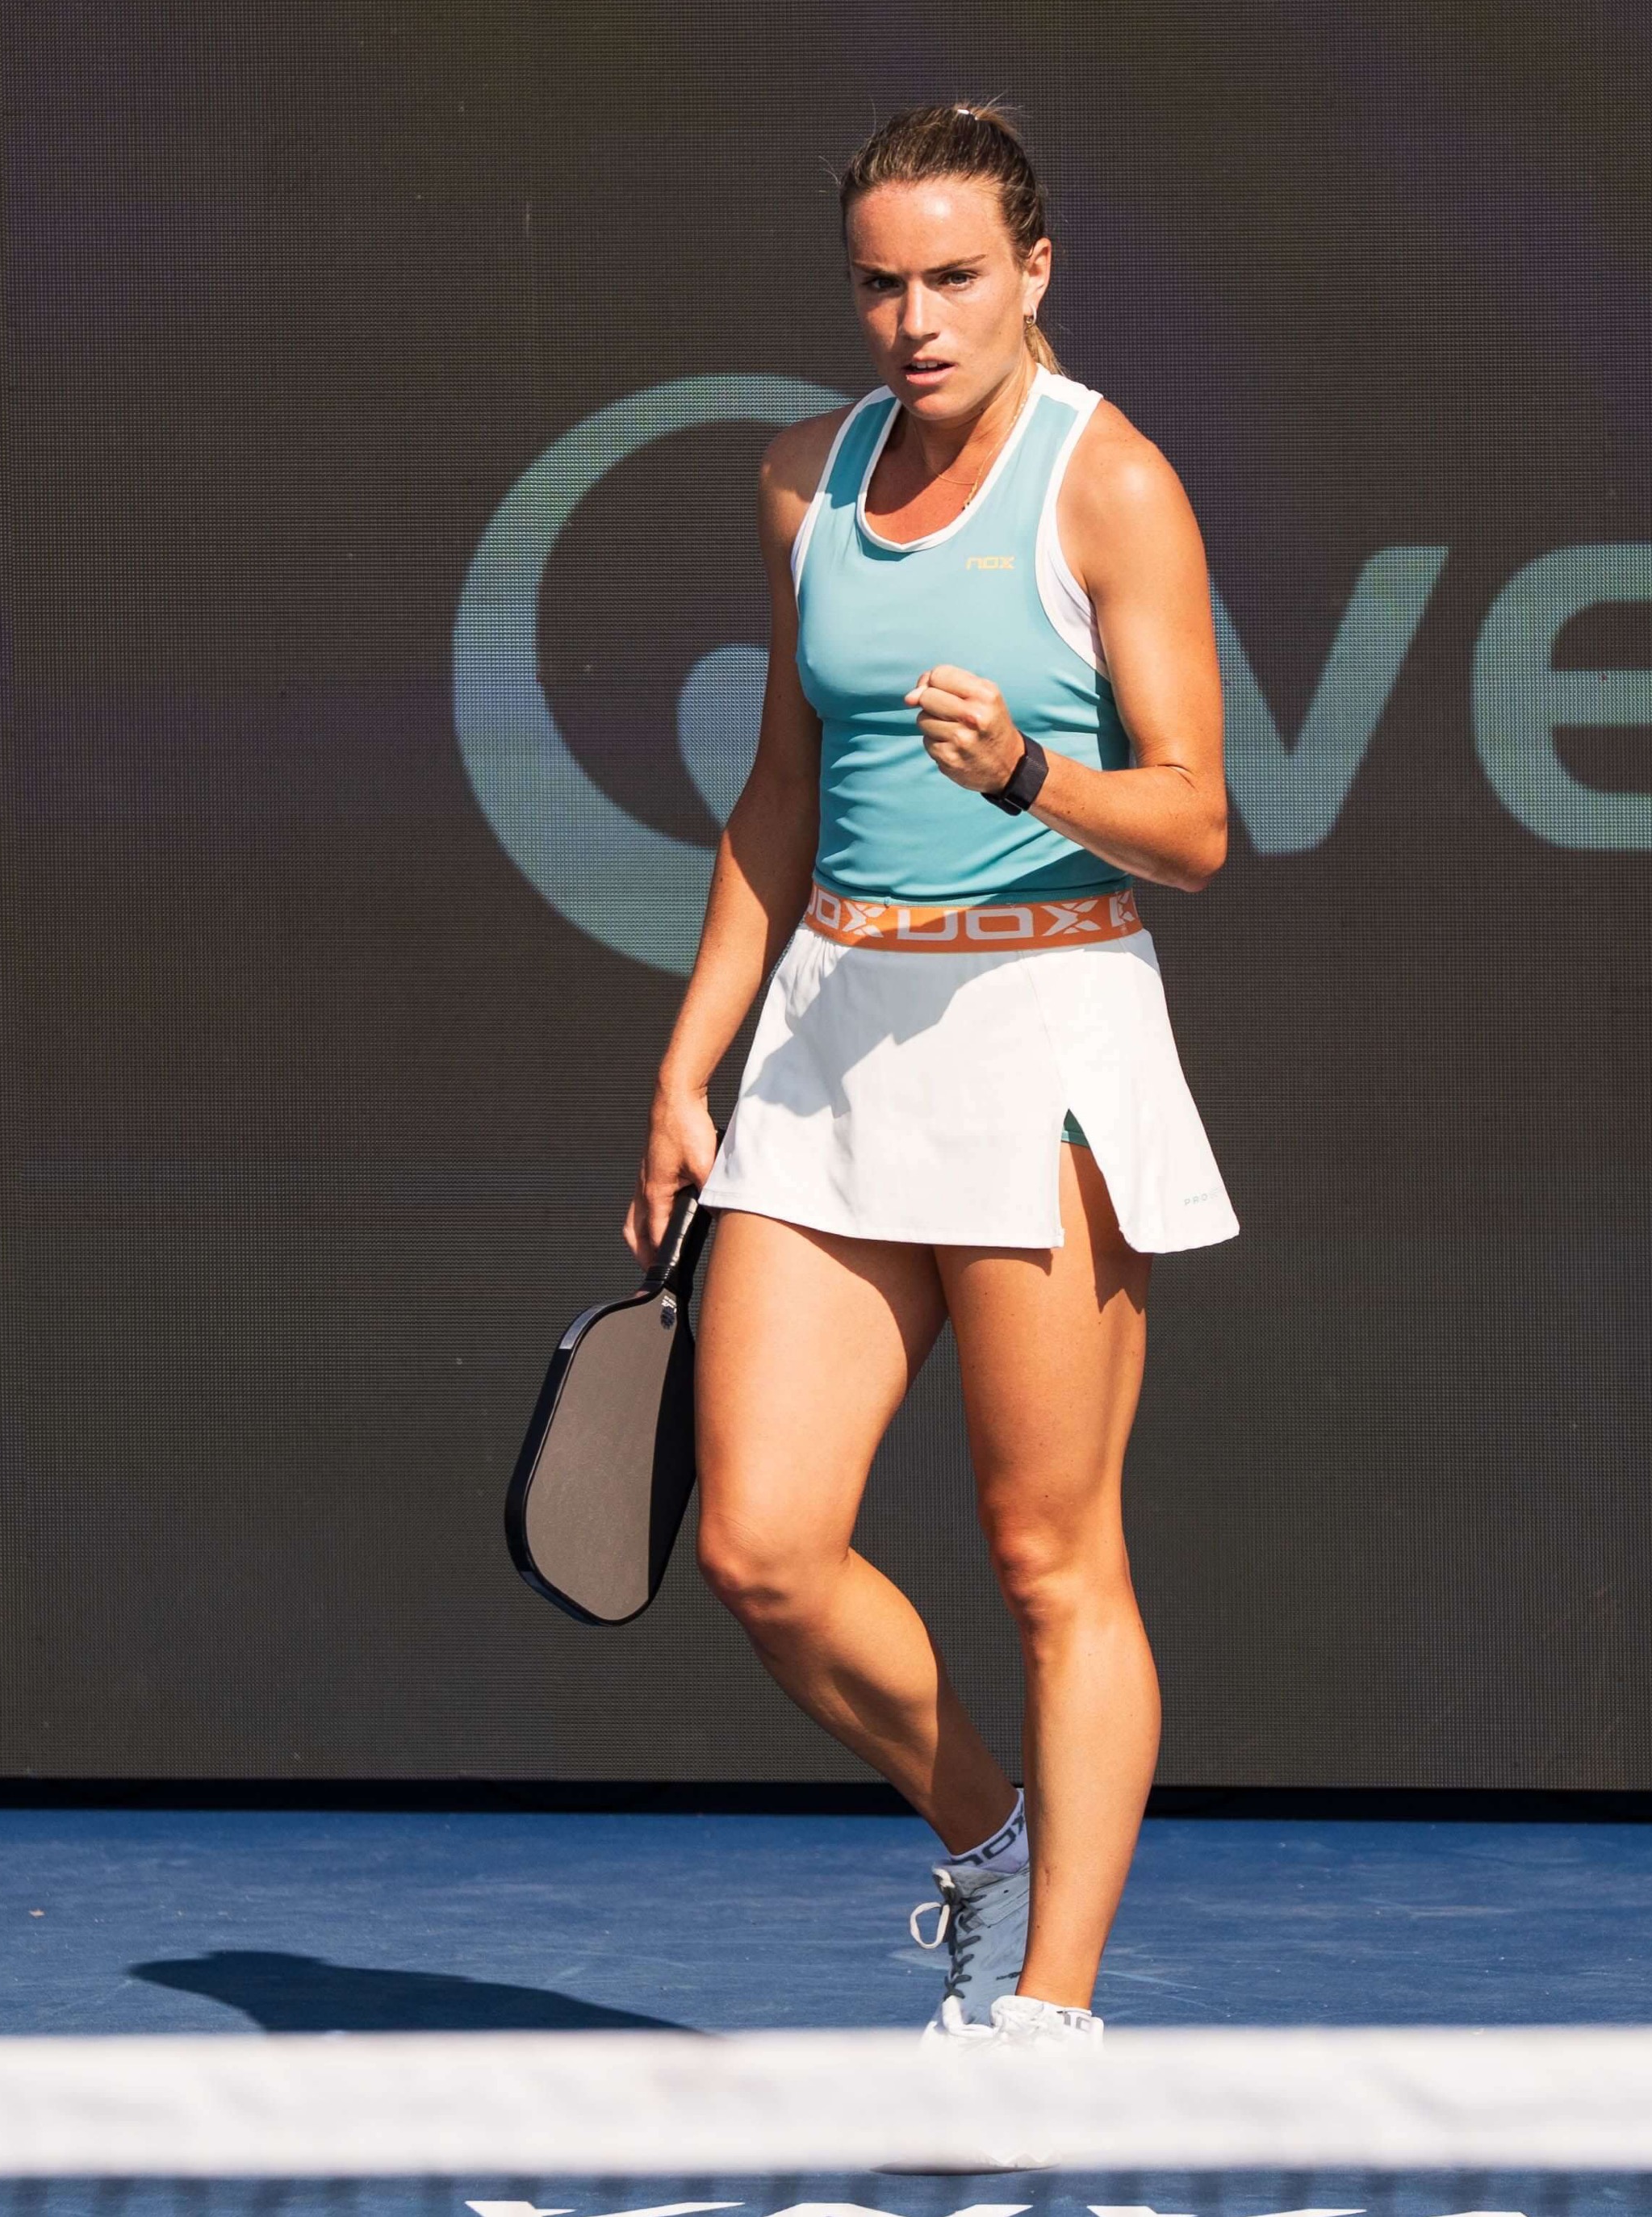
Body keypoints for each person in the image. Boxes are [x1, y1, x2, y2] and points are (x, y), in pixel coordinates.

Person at [630, 102, 1236, 2048]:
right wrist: (686, 1063)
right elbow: (784, 794)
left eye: (955, 277)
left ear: (1035, 270)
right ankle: (989, 1838)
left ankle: (1051, 2020)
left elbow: (1202, 824)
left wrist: (1033, 779)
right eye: (882, 283)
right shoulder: (802, 480)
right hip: (828, 1043)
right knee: (761, 1548)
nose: (916, 318)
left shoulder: (1111, 484)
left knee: (1051, 1556)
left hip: (1045, 1034)